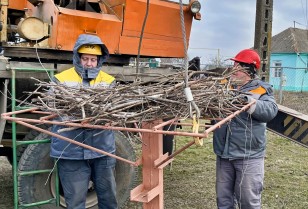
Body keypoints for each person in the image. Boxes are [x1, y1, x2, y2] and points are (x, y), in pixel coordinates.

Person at [50, 34, 118, 209]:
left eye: (93, 59)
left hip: (101, 149)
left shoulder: (108, 81)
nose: (89, 63)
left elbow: (115, 110)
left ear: (99, 60)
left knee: (109, 198)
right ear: (78, 58)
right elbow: (51, 107)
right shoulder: (61, 79)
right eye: (85, 59)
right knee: (75, 202)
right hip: (71, 151)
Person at [212, 49, 278, 209]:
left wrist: (247, 102)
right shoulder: (224, 87)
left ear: (249, 70)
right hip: (224, 154)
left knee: (248, 201)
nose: (233, 70)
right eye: (233, 66)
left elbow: (271, 110)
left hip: (248, 156)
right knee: (224, 200)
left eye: (238, 67)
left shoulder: (260, 90)